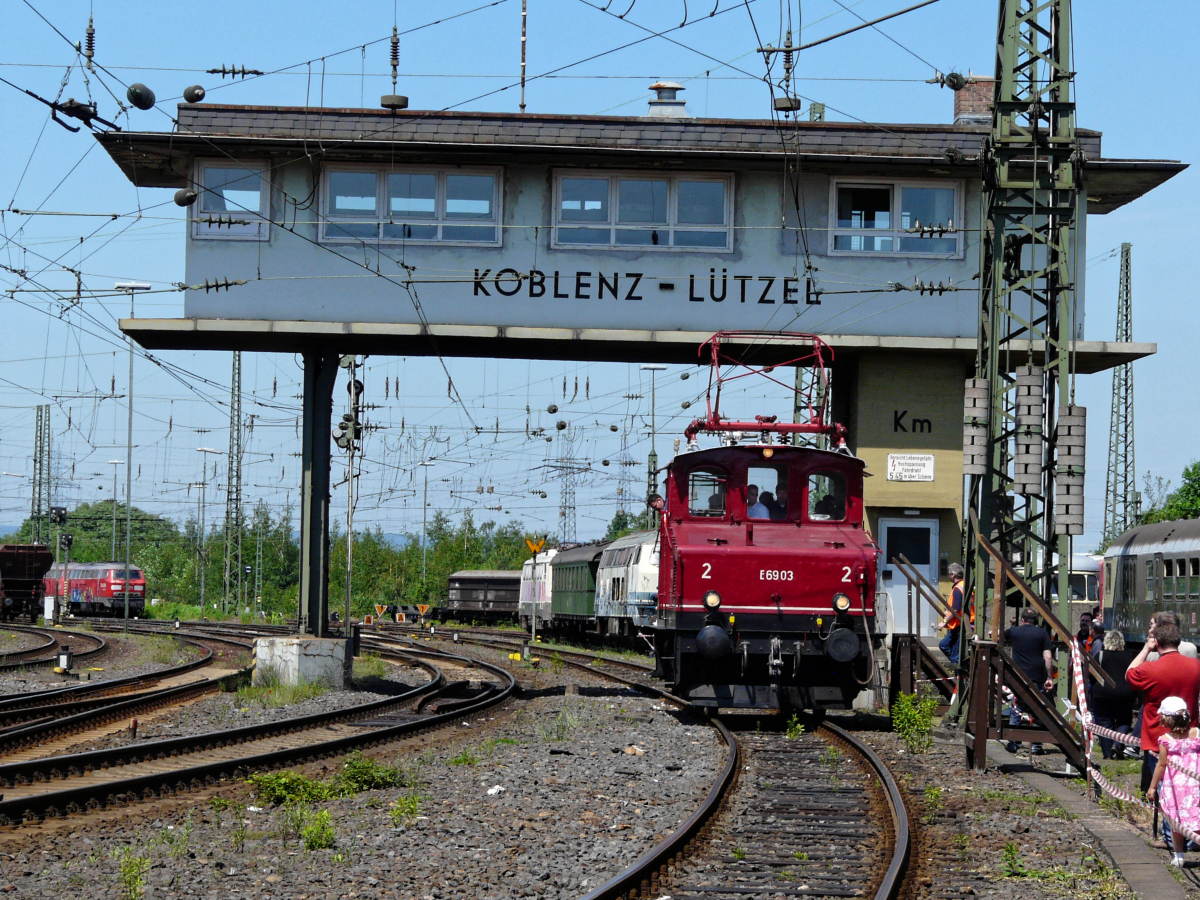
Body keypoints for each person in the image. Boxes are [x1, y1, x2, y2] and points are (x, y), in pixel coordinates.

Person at [1127, 612, 1200, 799]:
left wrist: (1145, 650)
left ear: (1157, 643)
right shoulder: (1195, 666)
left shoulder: (1149, 670)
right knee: (1184, 789)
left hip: (1157, 737)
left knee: (1163, 789)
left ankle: (1167, 826)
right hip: (1188, 736)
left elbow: (1129, 674)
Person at [1146, 696, 1200, 867]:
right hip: (1195, 784)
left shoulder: (1165, 740)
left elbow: (1161, 765)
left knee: (1176, 821)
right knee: (1197, 819)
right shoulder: (1196, 734)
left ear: (1166, 719)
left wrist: (1152, 787)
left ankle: (1179, 855)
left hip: (1175, 786)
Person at [1004, 607, 1055, 755]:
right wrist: (1049, 677)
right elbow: (1048, 657)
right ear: (1036, 621)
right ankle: (1036, 746)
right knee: (1037, 710)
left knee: (1016, 709)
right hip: (1037, 677)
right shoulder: (1042, 633)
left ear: (1022, 620)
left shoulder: (1015, 631)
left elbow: (998, 634)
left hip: (1018, 676)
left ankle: (1014, 743)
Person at [1090, 629, 1138, 760]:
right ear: (1122, 642)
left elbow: (1091, 676)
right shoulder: (1130, 656)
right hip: (1125, 693)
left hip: (1102, 693)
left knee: (1105, 722)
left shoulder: (1099, 656)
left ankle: (1107, 752)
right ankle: (1117, 744)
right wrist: (1136, 695)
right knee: (1124, 720)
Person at [938, 563, 965, 667]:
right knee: (951, 649)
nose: (949, 577)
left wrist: (944, 622)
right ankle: (958, 666)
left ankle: (959, 666)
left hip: (958, 625)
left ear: (953, 575)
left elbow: (956, 609)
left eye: (949, 575)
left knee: (944, 645)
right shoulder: (965, 586)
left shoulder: (958, 589)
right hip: (963, 623)